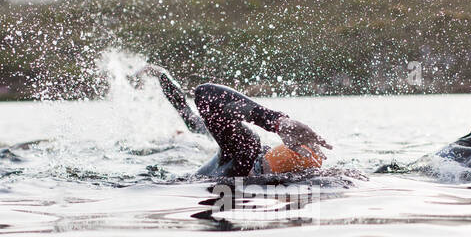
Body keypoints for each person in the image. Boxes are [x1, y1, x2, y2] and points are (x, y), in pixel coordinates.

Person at [134, 65, 330, 177]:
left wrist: (278, 123)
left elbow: (204, 96)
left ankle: (159, 74)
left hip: (197, 154)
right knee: (192, 122)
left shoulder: (243, 158)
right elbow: (202, 97)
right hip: (206, 150)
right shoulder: (245, 154)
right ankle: (160, 74)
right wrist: (278, 122)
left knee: (191, 121)